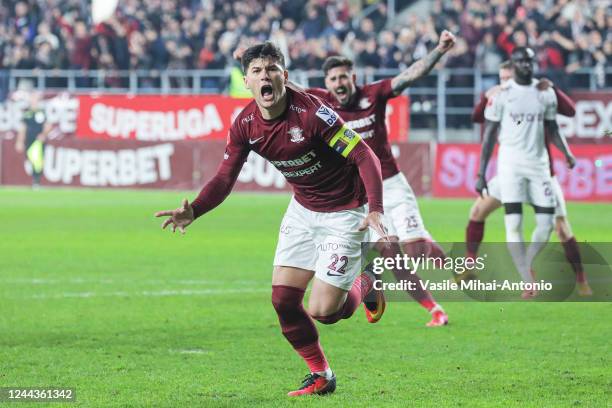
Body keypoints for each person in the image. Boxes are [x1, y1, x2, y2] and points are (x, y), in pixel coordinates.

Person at [155, 42, 389, 397]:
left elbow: (363, 154)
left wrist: (375, 209)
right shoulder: (245, 124)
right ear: (246, 81)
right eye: (257, 71)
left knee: (325, 311)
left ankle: (365, 284)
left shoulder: (313, 114)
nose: (265, 76)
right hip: (303, 210)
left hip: (345, 211)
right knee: (282, 300)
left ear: (285, 77)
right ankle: (322, 375)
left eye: (272, 70)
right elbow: (223, 179)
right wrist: (196, 210)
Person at [305, 30, 456, 326]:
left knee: (417, 249)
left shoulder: (374, 94)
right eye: (333, 79)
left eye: (343, 77)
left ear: (353, 77)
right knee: (390, 251)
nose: (339, 83)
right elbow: (290, 89)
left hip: (393, 185)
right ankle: (434, 309)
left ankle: (452, 265)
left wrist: (439, 50)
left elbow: (409, 76)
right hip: (363, 195)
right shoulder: (322, 103)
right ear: (327, 84)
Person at [467, 62, 592, 296]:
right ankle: (469, 269)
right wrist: (487, 96)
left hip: (541, 174)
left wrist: (553, 87)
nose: (504, 83)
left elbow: (570, 111)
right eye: (501, 78)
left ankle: (582, 279)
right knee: (477, 212)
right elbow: (477, 118)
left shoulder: (538, 96)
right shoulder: (502, 99)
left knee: (562, 229)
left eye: (508, 78)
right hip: (510, 174)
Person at [15, 91, 51, 187]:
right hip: (29, 140)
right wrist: (20, 141)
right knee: (31, 158)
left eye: (35, 99)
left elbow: (48, 125)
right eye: (32, 98)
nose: (33, 101)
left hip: (38, 141)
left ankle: (36, 181)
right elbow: (22, 128)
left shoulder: (41, 112)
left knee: (38, 160)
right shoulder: (27, 113)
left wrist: (43, 134)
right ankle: (35, 179)